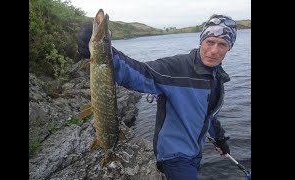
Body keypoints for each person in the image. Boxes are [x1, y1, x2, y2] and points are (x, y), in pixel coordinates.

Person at [78, 14, 237, 180]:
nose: (213, 51)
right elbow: (138, 73)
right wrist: (109, 53)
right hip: (174, 156)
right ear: (201, 41)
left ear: (229, 48)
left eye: (222, 44)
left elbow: (209, 114)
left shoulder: (217, 78)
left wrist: (219, 139)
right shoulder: (174, 68)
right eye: (210, 42)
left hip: (194, 153)